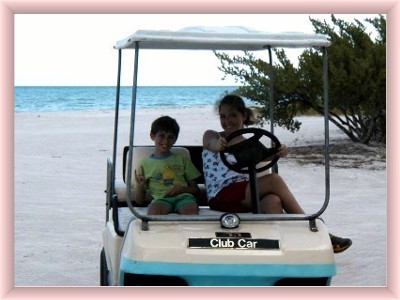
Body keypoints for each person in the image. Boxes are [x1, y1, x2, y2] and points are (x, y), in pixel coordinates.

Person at [202, 94, 352, 253]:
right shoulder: (213, 136)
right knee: (274, 180)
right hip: (220, 195)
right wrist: (217, 145)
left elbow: (265, 155)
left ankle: (281, 248)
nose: (227, 121)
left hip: (244, 195)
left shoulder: (249, 143)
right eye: (223, 116)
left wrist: (279, 151)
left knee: (273, 200)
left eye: (233, 115)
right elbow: (210, 144)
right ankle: (311, 227)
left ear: (244, 116)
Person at [134, 116, 201, 215]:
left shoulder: (182, 160)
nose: (166, 141)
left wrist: (181, 189)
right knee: (154, 212)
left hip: (184, 198)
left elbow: (196, 190)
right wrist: (140, 186)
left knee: (190, 210)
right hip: (161, 200)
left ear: (175, 139)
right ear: (152, 136)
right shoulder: (144, 164)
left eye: (170, 137)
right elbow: (139, 201)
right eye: (161, 136)